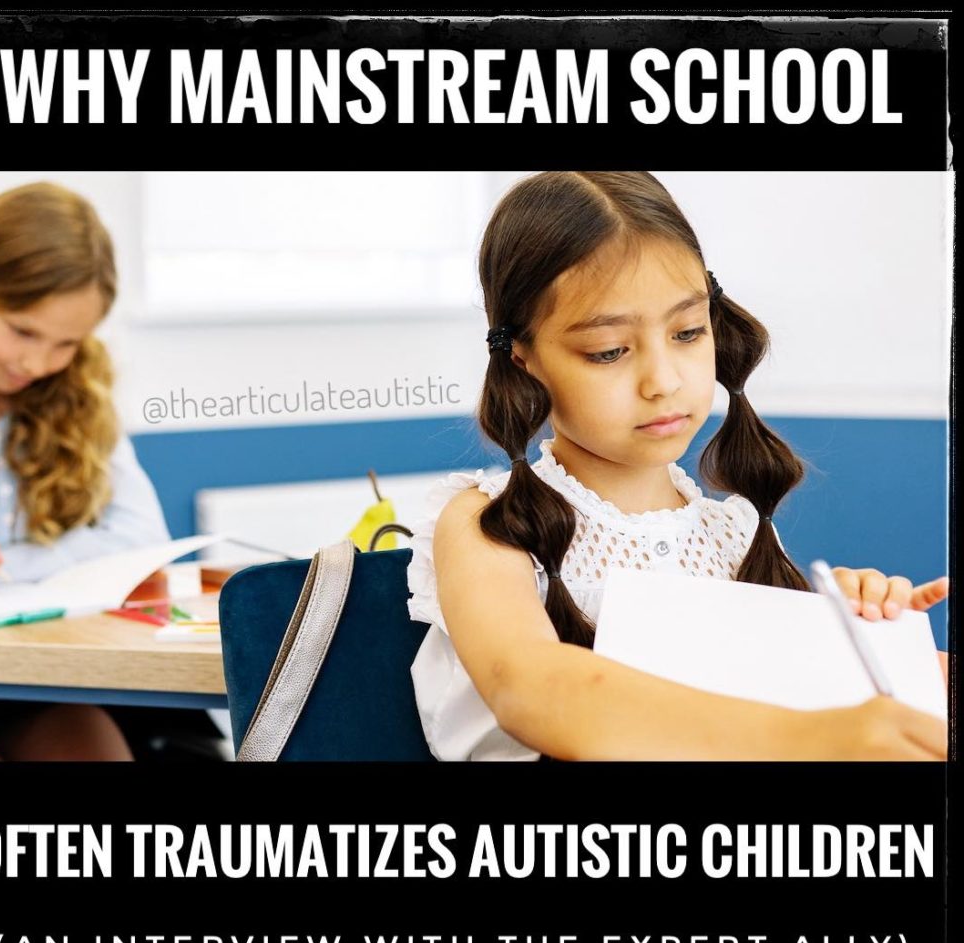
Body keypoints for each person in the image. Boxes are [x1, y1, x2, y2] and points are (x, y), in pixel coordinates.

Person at [406, 171, 949, 762]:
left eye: (688, 332)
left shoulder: (732, 532)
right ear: (523, 358)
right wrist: (811, 740)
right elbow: (535, 687)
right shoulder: (486, 522)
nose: (663, 381)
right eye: (609, 351)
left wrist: (840, 633)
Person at [0, 181, 172, 761]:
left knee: (90, 749)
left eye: (66, 343)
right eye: (22, 330)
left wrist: (0, 570)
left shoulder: (80, 394)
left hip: (34, 670)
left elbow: (142, 541)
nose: (37, 363)